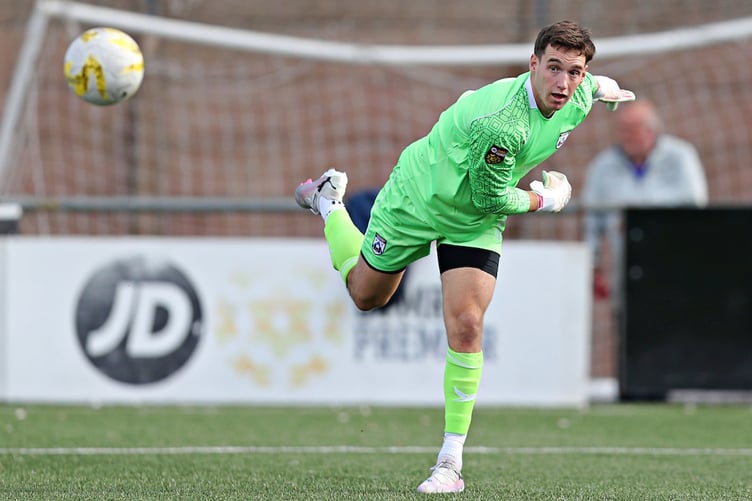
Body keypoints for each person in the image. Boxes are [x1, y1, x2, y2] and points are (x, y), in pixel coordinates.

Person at [295, 20, 634, 494]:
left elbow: (592, 86)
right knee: (366, 295)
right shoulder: (502, 125)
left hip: (471, 220)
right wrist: (547, 200)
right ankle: (329, 204)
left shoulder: (578, 95)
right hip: (418, 196)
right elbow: (496, 197)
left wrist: (603, 89)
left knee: (468, 324)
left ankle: (449, 462)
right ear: (532, 64)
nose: (563, 82)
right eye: (553, 68)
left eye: (574, 72)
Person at [582, 99, 708, 300]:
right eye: (622, 129)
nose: (626, 136)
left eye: (632, 129)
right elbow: (591, 222)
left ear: (652, 130)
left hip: (676, 269)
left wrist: (638, 218)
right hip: (626, 272)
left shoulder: (681, 157)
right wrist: (592, 264)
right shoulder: (602, 167)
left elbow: (695, 203)